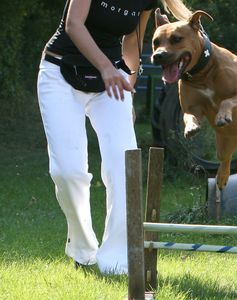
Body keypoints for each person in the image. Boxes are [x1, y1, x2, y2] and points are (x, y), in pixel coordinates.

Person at [37, 0, 191, 275]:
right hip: (59, 72)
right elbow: (73, 24)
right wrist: (107, 68)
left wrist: (129, 82)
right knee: (67, 172)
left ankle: (116, 260)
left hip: (110, 81)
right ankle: (83, 250)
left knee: (123, 168)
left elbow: (132, 41)